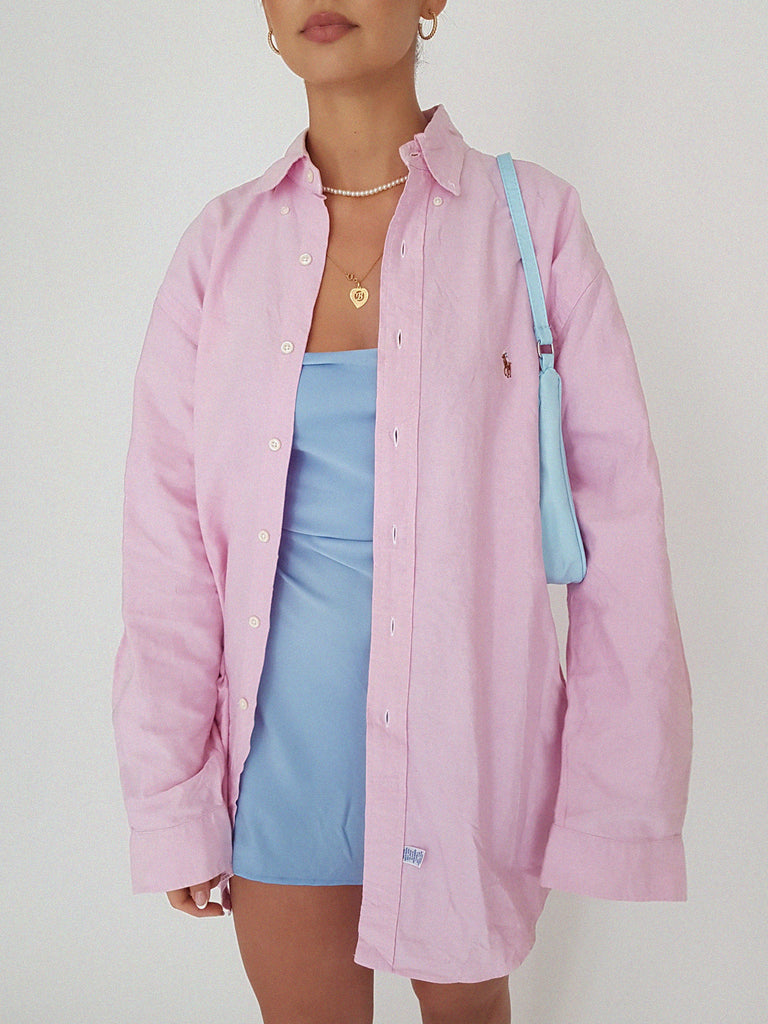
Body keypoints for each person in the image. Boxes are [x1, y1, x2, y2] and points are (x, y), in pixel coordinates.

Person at [111, 2, 693, 1022]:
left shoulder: (532, 224)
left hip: (466, 754)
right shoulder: (220, 250)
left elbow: (622, 524)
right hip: (280, 762)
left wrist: (615, 793)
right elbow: (167, 551)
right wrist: (173, 797)